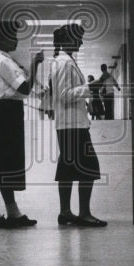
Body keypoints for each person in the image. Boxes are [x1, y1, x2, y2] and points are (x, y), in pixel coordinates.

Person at [0, 20, 44, 229]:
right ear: (0, 39)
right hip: (6, 113)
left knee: (6, 163)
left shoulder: (6, 59)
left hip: (10, 112)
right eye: (12, 35)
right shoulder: (3, 61)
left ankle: (12, 213)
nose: (16, 39)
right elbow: (25, 88)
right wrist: (35, 65)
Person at [50, 24, 107, 227]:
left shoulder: (63, 61)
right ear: (68, 40)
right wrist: (91, 87)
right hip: (72, 125)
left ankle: (65, 212)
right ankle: (84, 213)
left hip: (68, 124)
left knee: (67, 167)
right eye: (78, 39)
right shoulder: (64, 63)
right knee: (89, 166)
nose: (81, 42)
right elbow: (65, 95)